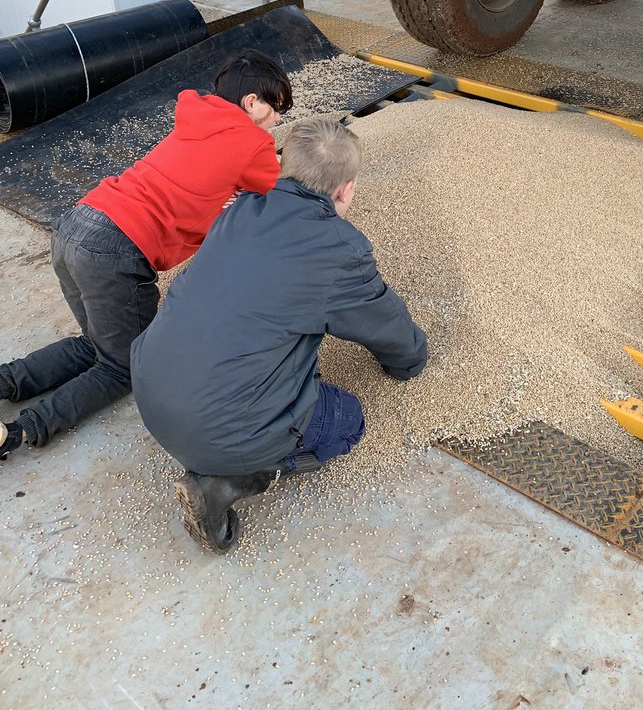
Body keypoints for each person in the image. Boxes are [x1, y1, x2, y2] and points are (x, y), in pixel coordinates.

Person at [130, 116, 427, 554]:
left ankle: (224, 447)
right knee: (345, 420)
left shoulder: (239, 210)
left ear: (282, 164)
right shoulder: (338, 249)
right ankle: (228, 481)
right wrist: (411, 361)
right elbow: (389, 331)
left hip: (150, 392)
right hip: (218, 432)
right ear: (346, 189)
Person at [0, 49, 293, 460]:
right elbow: (281, 191)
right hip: (115, 247)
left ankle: (5, 382)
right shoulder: (252, 140)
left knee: (98, 344)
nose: (277, 120)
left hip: (78, 223)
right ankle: (19, 432)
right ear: (251, 103)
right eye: (276, 108)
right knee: (123, 366)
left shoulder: (194, 119)